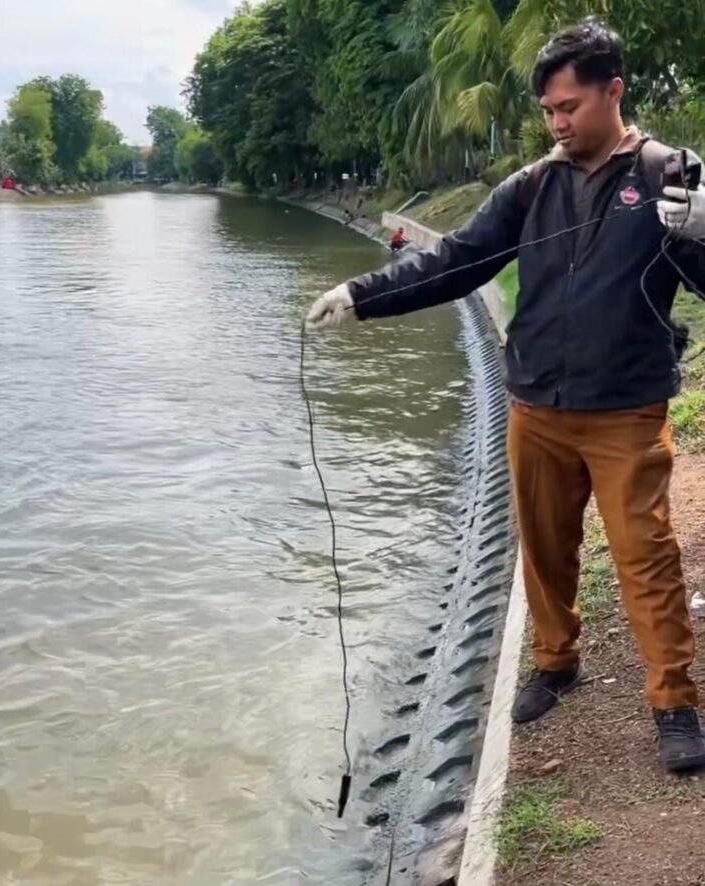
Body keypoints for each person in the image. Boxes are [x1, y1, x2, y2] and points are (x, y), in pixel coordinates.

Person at [306, 19, 705, 772]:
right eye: (548, 111)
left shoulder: (668, 175)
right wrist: (362, 293)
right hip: (535, 407)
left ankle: (674, 702)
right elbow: (457, 261)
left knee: (645, 558)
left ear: (613, 91)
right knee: (544, 552)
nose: (557, 123)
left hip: (624, 411)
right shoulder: (532, 186)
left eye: (570, 107)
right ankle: (556, 662)